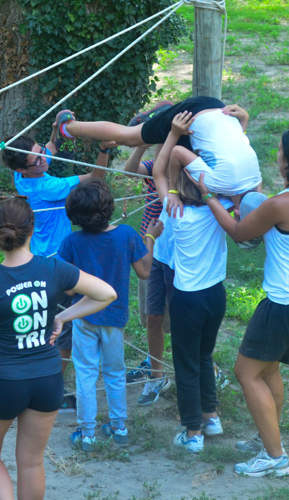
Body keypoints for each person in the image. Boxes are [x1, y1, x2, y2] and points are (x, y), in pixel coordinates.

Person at [194, 122, 289, 478]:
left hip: (283, 303)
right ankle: (267, 437)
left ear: (288, 161)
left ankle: (276, 458)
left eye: (281, 150)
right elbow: (265, 206)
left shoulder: (283, 204)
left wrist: (207, 194)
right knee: (267, 369)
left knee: (246, 372)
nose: (277, 153)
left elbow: (240, 231)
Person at [0, 198, 117, 500]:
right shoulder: (54, 269)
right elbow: (107, 293)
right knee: (32, 462)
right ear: (32, 229)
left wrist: (0, 326)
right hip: (47, 379)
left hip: (3, 381)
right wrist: (61, 316)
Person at [1, 126, 116, 409]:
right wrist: (103, 150)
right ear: (23, 169)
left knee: (47, 321)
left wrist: (55, 129)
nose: (43, 159)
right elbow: (95, 179)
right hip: (58, 262)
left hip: (40, 256)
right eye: (36, 160)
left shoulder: (21, 174)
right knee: (62, 328)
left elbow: (50, 149)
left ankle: (38, 379)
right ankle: (54, 389)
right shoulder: (47, 186)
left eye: (40, 152)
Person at [57, 179, 160, 450]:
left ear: (74, 214)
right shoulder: (127, 235)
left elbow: (68, 290)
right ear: (109, 207)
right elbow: (145, 271)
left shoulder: (70, 242)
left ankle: (87, 434)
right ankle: (119, 429)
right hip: (114, 318)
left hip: (84, 316)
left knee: (86, 372)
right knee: (115, 372)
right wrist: (149, 236)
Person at [151, 112, 230, 453]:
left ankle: (192, 432)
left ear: (177, 187)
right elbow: (236, 174)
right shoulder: (221, 206)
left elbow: (158, 169)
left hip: (188, 298)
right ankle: (211, 417)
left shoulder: (173, 210)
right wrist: (238, 127)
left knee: (185, 362)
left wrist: (172, 134)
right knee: (203, 355)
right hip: (216, 296)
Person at [55, 97, 262, 211]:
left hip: (220, 111)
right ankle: (68, 128)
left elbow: (233, 146)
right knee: (130, 137)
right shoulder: (218, 184)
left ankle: (160, 119)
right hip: (191, 117)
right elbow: (178, 152)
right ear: (237, 212)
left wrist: (244, 122)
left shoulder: (256, 180)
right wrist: (172, 191)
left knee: (178, 140)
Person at [122, 144, 174, 406]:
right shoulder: (155, 167)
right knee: (153, 315)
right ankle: (156, 373)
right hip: (151, 250)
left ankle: (208, 371)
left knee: (184, 319)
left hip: (179, 255)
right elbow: (129, 172)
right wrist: (140, 145)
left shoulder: (188, 169)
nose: (159, 147)